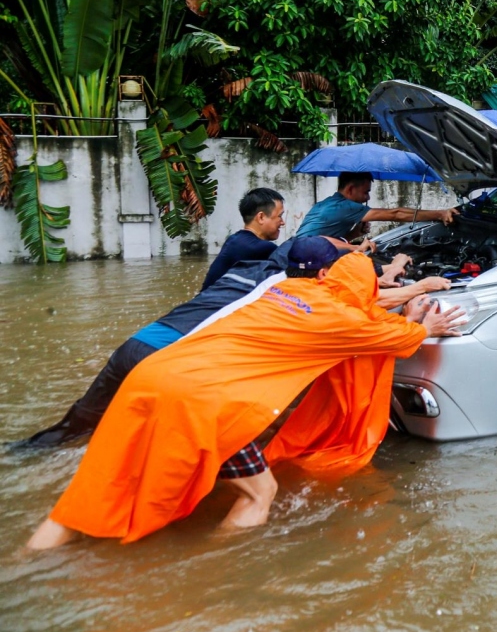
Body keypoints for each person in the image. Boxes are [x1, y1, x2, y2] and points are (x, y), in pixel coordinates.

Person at [26, 242, 464, 550]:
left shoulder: (286, 290)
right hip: (203, 400)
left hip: (150, 376)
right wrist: (425, 324)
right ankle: (215, 566)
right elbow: (397, 337)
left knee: (93, 487)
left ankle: (30, 562)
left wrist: (400, 294)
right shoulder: (345, 321)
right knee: (258, 493)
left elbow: (355, 307)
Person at [17, 242, 448, 449]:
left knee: (86, 423)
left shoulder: (252, 270)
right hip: (176, 359)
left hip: (138, 343)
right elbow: (361, 302)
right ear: (319, 276)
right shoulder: (295, 292)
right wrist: (418, 287)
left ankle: (29, 452)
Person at [295, 172, 457, 242]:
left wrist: (354, 234)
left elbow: (326, 240)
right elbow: (396, 214)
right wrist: (439, 213)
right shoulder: (345, 207)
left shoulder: (327, 203)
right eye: (366, 192)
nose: (368, 198)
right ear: (350, 189)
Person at [201, 188, 286, 290]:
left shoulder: (234, 240)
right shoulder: (263, 248)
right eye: (280, 216)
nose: (282, 222)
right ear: (261, 217)